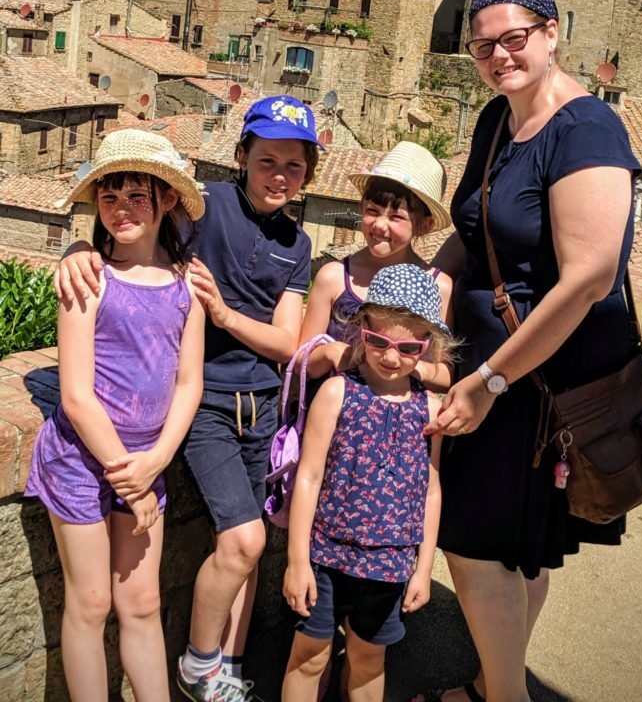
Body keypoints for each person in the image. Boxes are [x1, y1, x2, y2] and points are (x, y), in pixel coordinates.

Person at [54, 95, 321, 702]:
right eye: (266, 161)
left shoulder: (298, 246)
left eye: (294, 167)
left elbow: (287, 342)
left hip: (257, 406)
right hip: (205, 410)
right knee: (243, 540)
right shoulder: (208, 208)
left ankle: (225, 668)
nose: (279, 176)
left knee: (242, 550)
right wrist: (74, 252)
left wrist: (223, 311)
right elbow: (127, 227)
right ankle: (202, 667)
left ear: (307, 177)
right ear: (240, 159)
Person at [423, 0, 640, 702]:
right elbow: (475, 228)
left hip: (530, 382)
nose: (498, 58)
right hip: (495, 370)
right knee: (519, 553)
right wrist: (437, 284)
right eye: (483, 47)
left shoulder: (587, 129)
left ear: (551, 33)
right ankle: (496, 683)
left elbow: (587, 277)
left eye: (513, 39)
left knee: (472, 546)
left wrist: (488, 382)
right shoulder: (498, 118)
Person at [25, 129, 206, 702]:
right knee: (91, 602)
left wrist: (153, 464)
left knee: (142, 602)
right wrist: (133, 477)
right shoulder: (88, 279)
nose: (122, 209)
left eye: (137, 195)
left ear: (167, 200)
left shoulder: (188, 287)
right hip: (81, 460)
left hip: (144, 466)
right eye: (110, 197)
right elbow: (76, 396)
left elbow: (189, 385)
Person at [282, 264, 451, 702]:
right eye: (378, 342)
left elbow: (431, 490)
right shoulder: (337, 393)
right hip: (326, 556)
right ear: (361, 331)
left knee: (367, 661)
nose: (391, 358)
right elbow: (309, 477)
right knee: (310, 657)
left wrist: (425, 567)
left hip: (391, 564)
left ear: (428, 346)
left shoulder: (429, 410)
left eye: (408, 347)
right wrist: (298, 560)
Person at [300, 139, 453, 389]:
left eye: (396, 217)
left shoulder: (439, 287)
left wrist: (407, 364)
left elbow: (446, 373)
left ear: (425, 225)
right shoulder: (333, 277)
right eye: (372, 211)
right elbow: (301, 363)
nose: (380, 225)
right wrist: (331, 353)